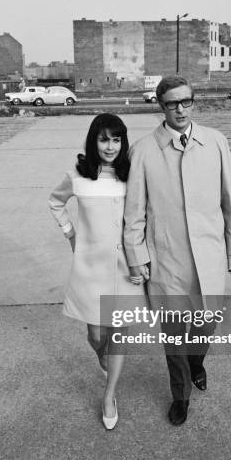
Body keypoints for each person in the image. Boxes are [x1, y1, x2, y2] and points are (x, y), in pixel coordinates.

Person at [124, 76, 231, 426]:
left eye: (186, 101)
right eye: (171, 103)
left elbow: (229, 199)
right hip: (167, 259)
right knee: (174, 335)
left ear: (194, 102)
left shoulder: (216, 142)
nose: (180, 109)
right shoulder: (144, 150)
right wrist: (138, 256)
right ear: (160, 106)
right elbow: (134, 213)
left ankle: (197, 362)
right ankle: (180, 396)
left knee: (205, 327)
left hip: (208, 256)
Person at [48, 113, 142, 430]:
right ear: (94, 140)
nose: (110, 146)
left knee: (119, 335)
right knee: (96, 334)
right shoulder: (78, 173)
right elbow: (55, 202)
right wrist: (71, 234)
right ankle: (100, 353)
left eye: (116, 139)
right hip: (90, 269)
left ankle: (109, 395)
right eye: (104, 139)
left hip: (126, 268)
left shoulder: (132, 174)